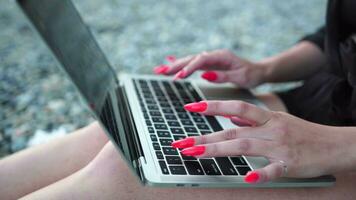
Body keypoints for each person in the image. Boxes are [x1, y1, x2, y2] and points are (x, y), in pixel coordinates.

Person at [1, 0, 356, 199]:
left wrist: (336, 144)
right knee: (123, 129)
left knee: (125, 174)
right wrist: (263, 69)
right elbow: (337, 36)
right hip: (319, 103)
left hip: (344, 153)